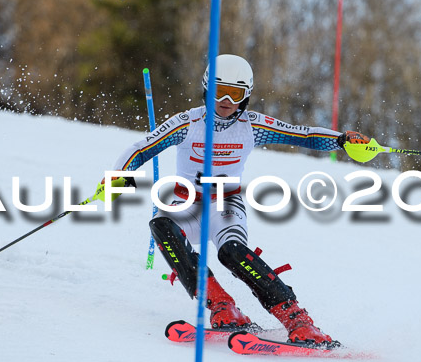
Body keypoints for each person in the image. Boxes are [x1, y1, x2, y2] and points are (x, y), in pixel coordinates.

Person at [106, 54, 371, 347]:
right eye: (220, 91)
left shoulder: (252, 125)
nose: (227, 101)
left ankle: (298, 321)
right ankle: (222, 306)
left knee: (232, 251)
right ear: (207, 88)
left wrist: (342, 140)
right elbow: (142, 148)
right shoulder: (188, 122)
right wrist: (120, 174)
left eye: (236, 94)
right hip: (186, 203)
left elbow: (303, 136)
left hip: (226, 205)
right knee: (161, 224)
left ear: (247, 96)